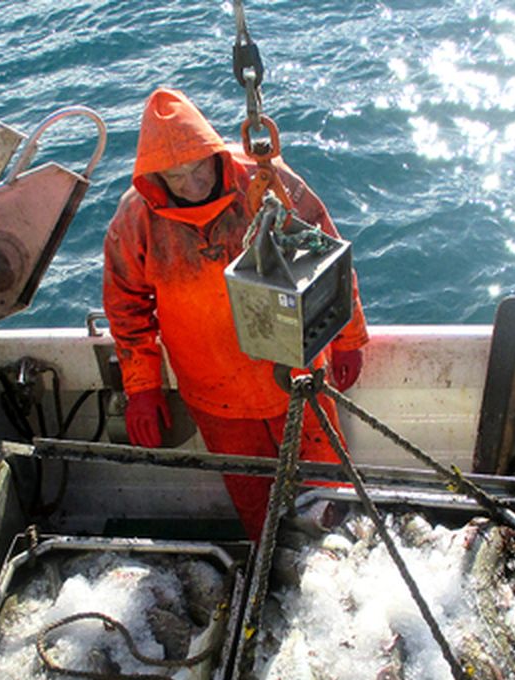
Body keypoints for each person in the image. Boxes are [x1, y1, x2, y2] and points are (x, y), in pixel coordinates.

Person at [103, 87, 370, 539]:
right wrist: (142, 386)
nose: (192, 184)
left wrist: (348, 337)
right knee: (256, 506)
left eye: (197, 168)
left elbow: (327, 258)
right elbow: (127, 307)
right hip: (214, 395)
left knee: (330, 498)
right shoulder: (136, 220)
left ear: (213, 153)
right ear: (155, 178)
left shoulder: (266, 182)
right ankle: (273, 575)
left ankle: (344, 570)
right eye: (175, 178)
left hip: (295, 377)